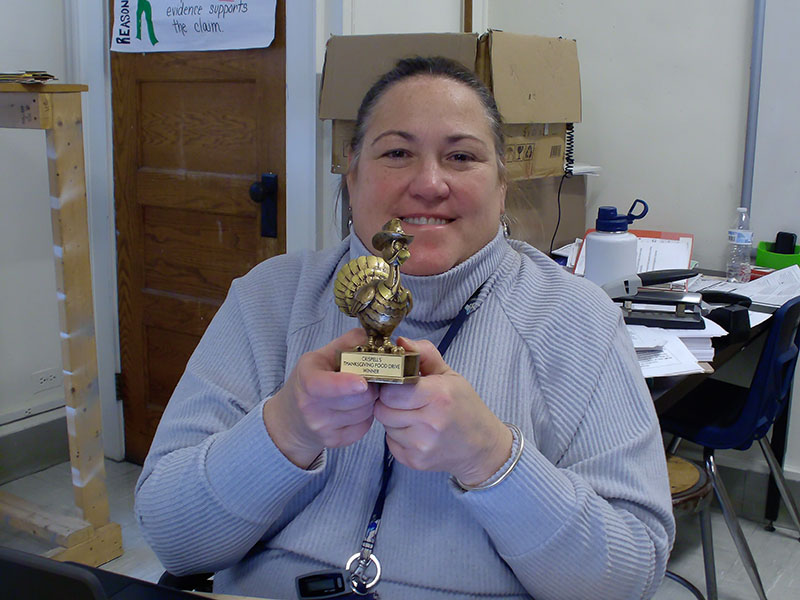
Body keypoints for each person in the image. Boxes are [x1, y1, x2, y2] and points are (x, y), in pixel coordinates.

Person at [135, 56, 674, 600]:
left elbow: (625, 580)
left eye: (461, 156)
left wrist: (491, 457)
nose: (429, 183)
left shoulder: (580, 319)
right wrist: (284, 432)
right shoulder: (268, 300)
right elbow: (174, 542)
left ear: (503, 185)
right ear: (352, 175)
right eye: (397, 153)